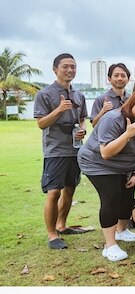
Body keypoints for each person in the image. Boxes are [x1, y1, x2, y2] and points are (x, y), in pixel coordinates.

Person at [77, 89, 135, 262]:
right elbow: (106, 152)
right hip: (98, 163)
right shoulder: (113, 119)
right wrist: (127, 134)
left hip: (126, 166)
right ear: (130, 104)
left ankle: (121, 231)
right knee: (112, 197)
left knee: (127, 196)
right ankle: (109, 245)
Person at [35, 53, 88, 250]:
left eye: (73, 67)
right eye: (65, 66)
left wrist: (82, 130)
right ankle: (51, 235)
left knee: (69, 190)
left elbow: (82, 118)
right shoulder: (45, 94)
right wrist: (58, 110)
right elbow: (41, 123)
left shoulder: (79, 95)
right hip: (55, 150)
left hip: (75, 150)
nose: (70, 70)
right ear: (55, 69)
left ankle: (62, 225)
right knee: (53, 192)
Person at [90, 62, 130, 127]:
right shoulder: (101, 99)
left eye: (123, 76)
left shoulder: (131, 99)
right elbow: (94, 125)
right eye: (116, 75)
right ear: (109, 79)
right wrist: (103, 111)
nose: (119, 78)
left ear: (128, 79)